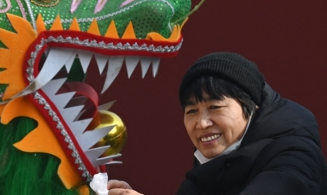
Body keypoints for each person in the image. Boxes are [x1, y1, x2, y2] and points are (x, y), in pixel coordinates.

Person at [107, 52, 327, 194]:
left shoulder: (294, 156)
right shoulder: (205, 173)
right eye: (191, 111)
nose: (201, 123)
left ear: (253, 107)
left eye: (215, 107)